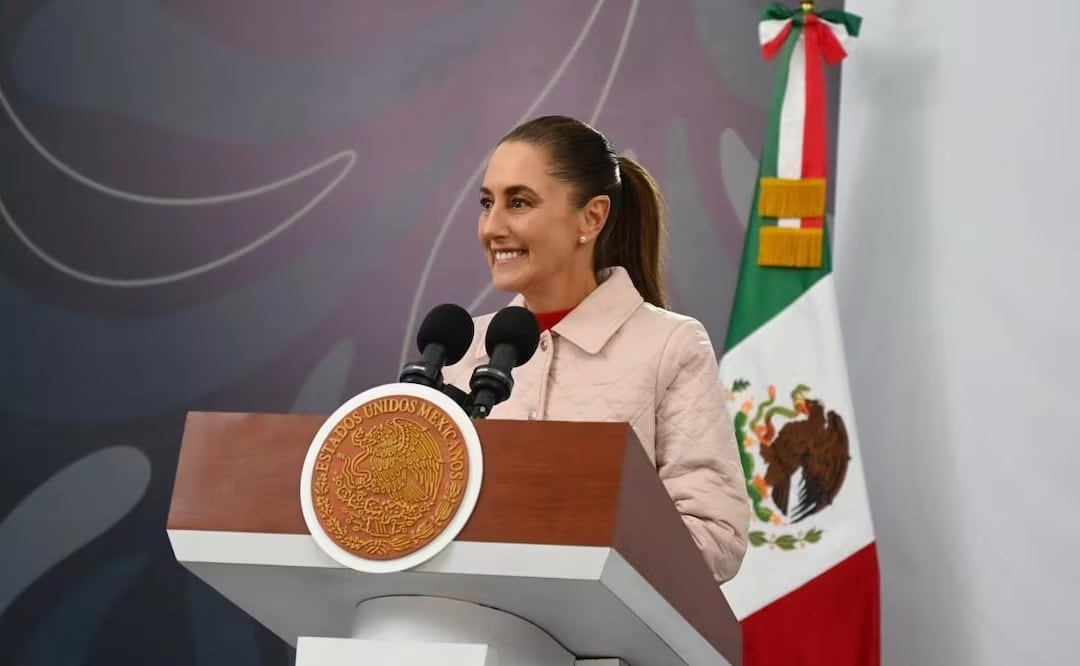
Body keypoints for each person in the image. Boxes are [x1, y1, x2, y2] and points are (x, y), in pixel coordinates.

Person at [442, 115, 749, 583]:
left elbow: (716, 537)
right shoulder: (463, 348)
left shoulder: (671, 346)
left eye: (518, 202)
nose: (492, 227)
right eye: (487, 203)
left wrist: (569, 536)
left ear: (592, 217)